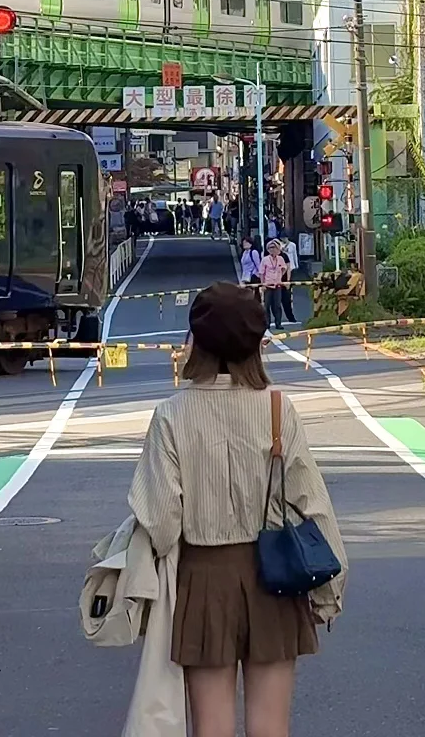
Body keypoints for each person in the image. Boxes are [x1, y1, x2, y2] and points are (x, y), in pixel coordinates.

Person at [128, 283, 345, 737]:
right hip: (277, 577)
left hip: (204, 580)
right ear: (255, 343)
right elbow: (314, 506)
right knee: (270, 728)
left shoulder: (171, 415)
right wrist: (329, 591)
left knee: (212, 729)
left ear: (196, 342)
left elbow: (163, 526)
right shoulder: (277, 408)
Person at [259, 242, 290, 331]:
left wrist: (280, 276)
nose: (273, 250)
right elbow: (261, 272)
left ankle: (278, 323)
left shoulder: (280, 259)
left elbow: (284, 268)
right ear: (268, 249)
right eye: (271, 248)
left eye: (275, 248)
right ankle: (267, 323)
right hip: (268, 284)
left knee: (277, 305)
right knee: (266, 305)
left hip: (277, 284)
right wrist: (263, 284)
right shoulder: (265, 259)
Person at [280, 236, 299, 324]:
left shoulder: (292, 245)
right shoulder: (280, 245)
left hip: (291, 268)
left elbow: (294, 254)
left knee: (287, 296)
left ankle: (290, 317)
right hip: (279, 275)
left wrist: (296, 264)